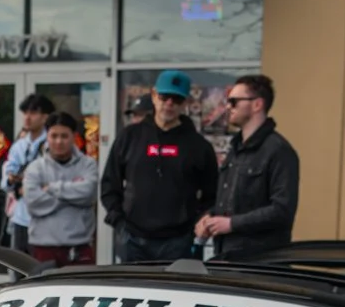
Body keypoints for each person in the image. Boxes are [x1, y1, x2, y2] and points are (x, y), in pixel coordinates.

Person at [99, 69, 218, 264]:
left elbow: (212, 194)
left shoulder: (199, 146)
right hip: (133, 239)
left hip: (178, 242)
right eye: (164, 97)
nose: (169, 104)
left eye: (177, 99)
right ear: (154, 95)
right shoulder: (129, 137)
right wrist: (118, 221)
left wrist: (196, 223)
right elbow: (109, 183)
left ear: (186, 103)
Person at [196, 73, 300, 261]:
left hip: (260, 262)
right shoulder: (235, 149)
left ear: (257, 104)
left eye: (234, 101)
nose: (228, 107)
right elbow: (230, 201)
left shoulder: (279, 151)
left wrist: (232, 224)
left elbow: (282, 209)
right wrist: (210, 217)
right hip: (226, 256)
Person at [23, 112, 98, 267]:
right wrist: (73, 196)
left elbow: (89, 192)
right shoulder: (35, 168)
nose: (59, 141)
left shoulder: (88, 164)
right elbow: (33, 202)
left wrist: (52, 188)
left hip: (80, 249)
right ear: (47, 136)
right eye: (54, 136)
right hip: (43, 249)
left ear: (74, 136)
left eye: (64, 136)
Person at [1, 91, 52, 253]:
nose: (27, 117)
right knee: (17, 271)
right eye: (25, 113)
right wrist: (11, 180)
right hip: (20, 217)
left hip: (44, 219)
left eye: (33, 113)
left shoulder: (52, 144)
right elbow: (6, 182)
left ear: (45, 117)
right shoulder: (19, 146)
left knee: (41, 270)